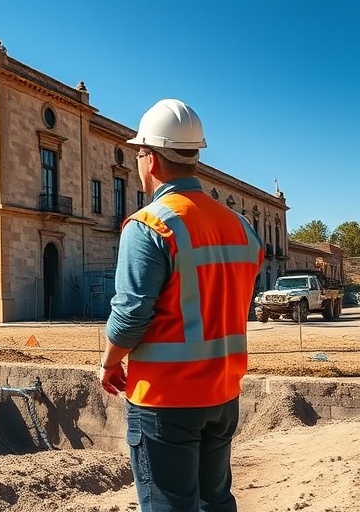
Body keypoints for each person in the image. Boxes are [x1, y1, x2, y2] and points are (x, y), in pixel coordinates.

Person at [100, 99, 264, 511]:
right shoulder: (241, 227)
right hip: (223, 393)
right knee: (216, 502)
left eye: (139, 152)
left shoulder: (150, 224)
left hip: (165, 398)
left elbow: (131, 316)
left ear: (151, 159)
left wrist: (109, 361)